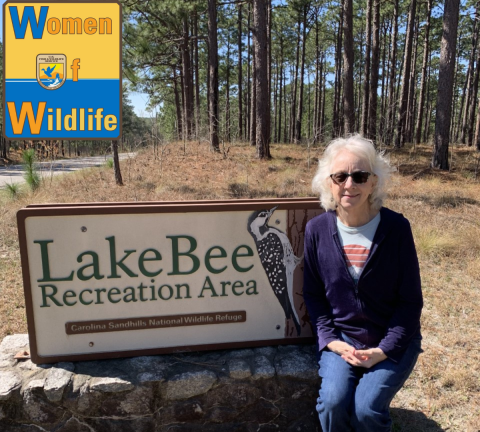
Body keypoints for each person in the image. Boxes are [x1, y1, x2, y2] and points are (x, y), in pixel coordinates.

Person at [303, 135, 423, 432]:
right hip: (341, 340)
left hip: (392, 340)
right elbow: (314, 295)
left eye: (360, 176)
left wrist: (384, 350)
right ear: (328, 182)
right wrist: (332, 341)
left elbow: (410, 302)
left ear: (374, 182)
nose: (349, 184)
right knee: (332, 403)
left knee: (366, 410)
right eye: (340, 176)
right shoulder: (316, 230)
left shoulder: (396, 230)